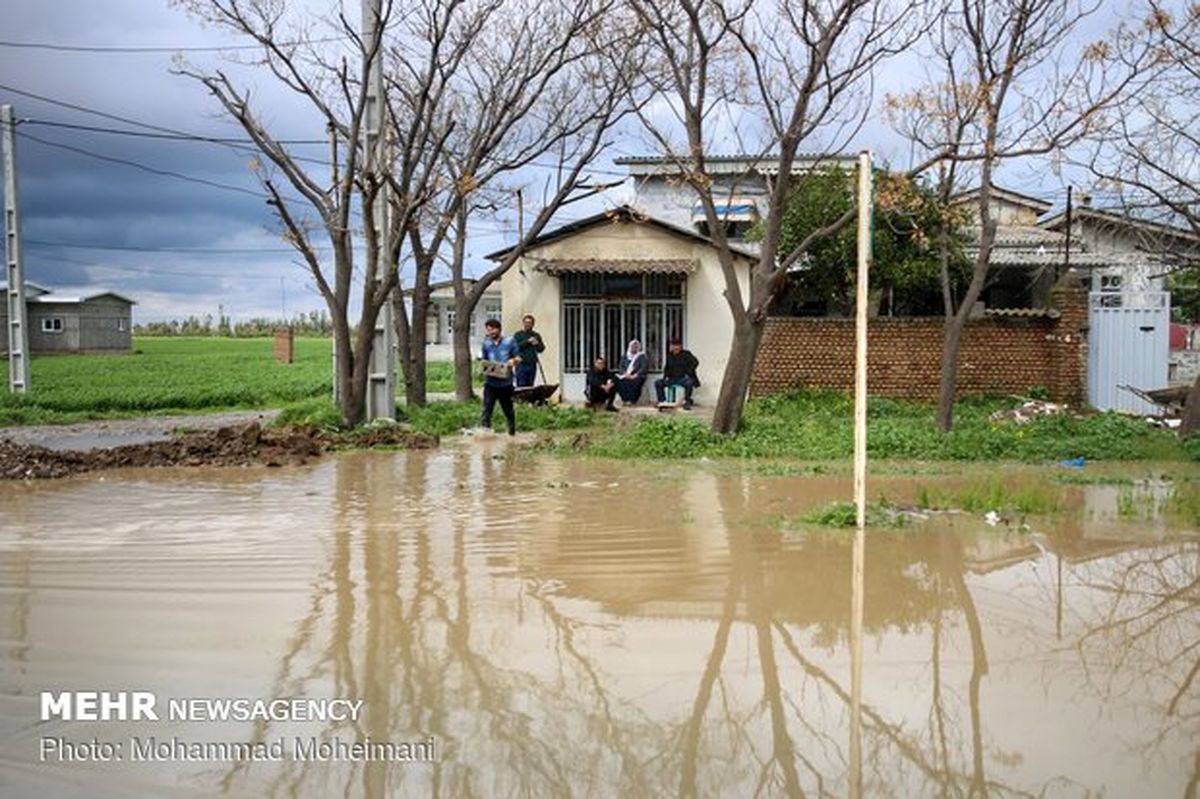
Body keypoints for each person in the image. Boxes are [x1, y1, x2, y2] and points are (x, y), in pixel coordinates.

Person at [479, 318, 521, 435]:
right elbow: (484, 360)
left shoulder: (509, 341)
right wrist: (482, 369)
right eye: (488, 330)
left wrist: (513, 361)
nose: (490, 332)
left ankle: (512, 434)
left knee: (509, 411)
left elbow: (519, 357)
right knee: (487, 410)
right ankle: (485, 435)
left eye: (492, 330)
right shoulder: (486, 344)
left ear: (499, 329)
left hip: (506, 384)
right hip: (490, 383)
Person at [654, 339, 700, 409]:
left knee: (689, 383)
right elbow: (667, 367)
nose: (675, 348)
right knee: (658, 383)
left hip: (683, 378)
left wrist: (689, 372)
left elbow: (695, 362)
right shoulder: (670, 355)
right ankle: (662, 401)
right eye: (673, 346)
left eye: (677, 346)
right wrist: (665, 376)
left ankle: (687, 401)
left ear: (680, 346)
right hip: (672, 378)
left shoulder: (686, 354)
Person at [512, 314, 545, 388]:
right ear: (523, 323)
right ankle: (521, 399)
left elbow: (541, 349)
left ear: (533, 324)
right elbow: (516, 348)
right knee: (521, 386)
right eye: (526, 322)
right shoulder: (518, 335)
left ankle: (528, 400)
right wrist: (527, 341)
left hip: (532, 364)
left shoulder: (536, 335)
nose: (528, 324)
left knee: (530, 386)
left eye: (530, 323)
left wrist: (537, 344)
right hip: (521, 365)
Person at [616, 339, 648, 405]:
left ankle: (632, 400)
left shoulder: (642, 356)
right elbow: (620, 367)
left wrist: (635, 375)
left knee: (634, 382)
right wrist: (625, 374)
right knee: (620, 381)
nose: (634, 348)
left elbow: (643, 368)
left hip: (638, 376)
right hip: (626, 375)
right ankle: (625, 399)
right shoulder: (625, 356)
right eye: (633, 346)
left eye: (636, 347)